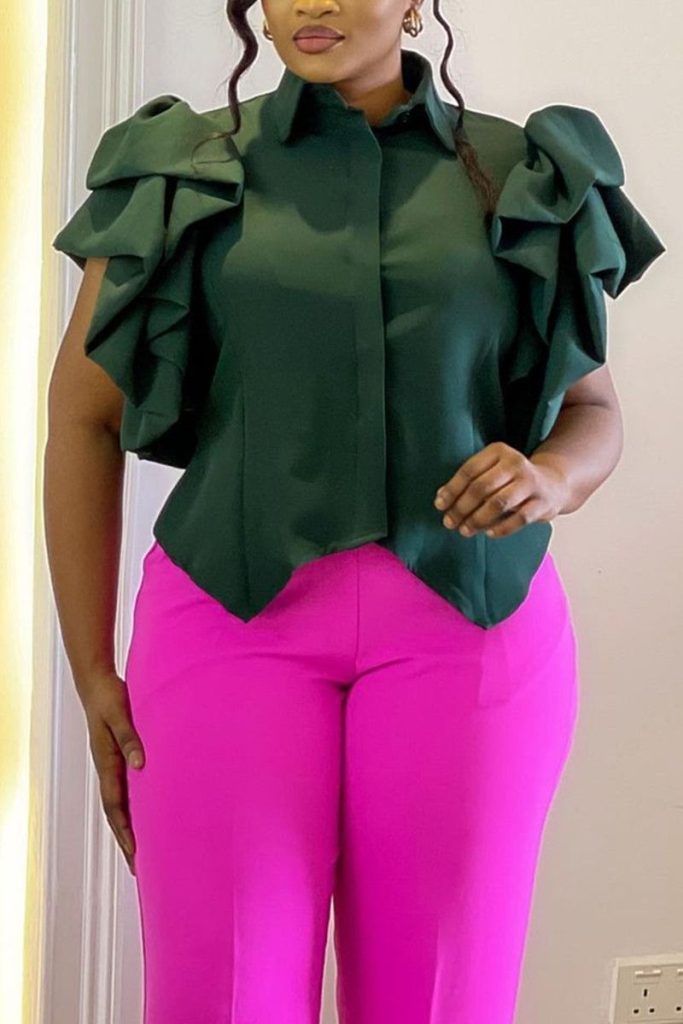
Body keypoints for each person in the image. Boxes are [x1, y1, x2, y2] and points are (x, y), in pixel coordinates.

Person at [45, 1, 666, 1022]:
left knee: (442, 1001)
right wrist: (88, 669)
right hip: (226, 625)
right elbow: (83, 418)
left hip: (470, 634)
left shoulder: (521, 173)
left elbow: (592, 413)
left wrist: (549, 477)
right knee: (221, 1000)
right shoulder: (180, 172)